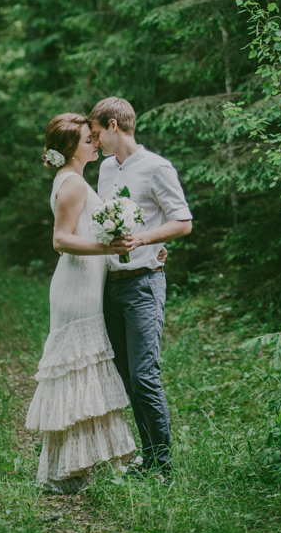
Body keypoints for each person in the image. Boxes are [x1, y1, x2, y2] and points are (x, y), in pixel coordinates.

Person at [25, 113, 136, 493]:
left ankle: (82, 464)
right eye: (88, 139)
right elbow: (61, 240)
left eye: (94, 137)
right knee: (79, 369)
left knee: (86, 371)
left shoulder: (74, 179)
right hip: (75, 287)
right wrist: (107, 246)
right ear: (70, 149)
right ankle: (70, 469)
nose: (95, 143)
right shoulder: (72, 184)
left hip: (86, 284)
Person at [89, 97, 192, 482]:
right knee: (126, 376)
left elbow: (182, 221)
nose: (94, 140)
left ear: (114, 125)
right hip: (109, 287)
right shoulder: (104, 168)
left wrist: (145, 240)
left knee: (145, 374)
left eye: (97, 132)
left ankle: (162, 468)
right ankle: (148, 460)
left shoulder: (156, 168)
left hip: (144, 285)